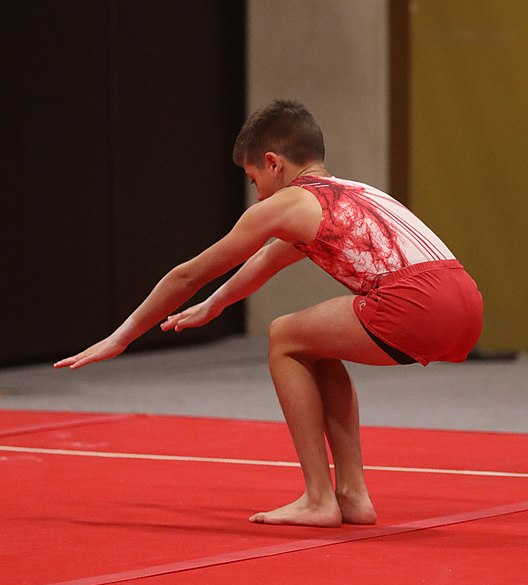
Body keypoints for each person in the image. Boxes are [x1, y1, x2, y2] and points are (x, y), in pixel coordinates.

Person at [55, 99, 483, 527]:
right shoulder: (356, 192)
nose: (256, 191)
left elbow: (186, 276)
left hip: (415, 303)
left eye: (253, 177)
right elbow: (266, 261)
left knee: (284, 336)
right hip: (465, 301)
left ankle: (319, 498)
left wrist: (122, 336)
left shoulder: (285, 204)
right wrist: (215, 304)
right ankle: (351, 495)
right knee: (314, 345)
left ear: (273, 163)